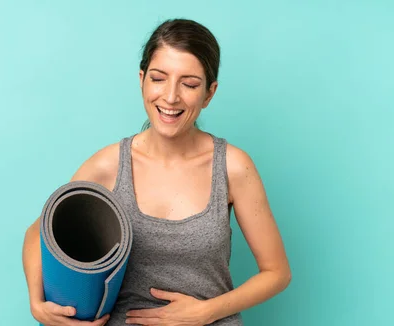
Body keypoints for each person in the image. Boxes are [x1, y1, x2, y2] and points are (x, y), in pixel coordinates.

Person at [22, 18, 291, 326]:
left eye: (189, 84)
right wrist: (37, 302)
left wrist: (204, 312)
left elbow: (277, 272)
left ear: (209, 93)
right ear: (142, 79)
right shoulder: (108, 165)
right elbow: (37, 233)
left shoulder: (232, 166)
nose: (171, 97)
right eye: (159, 79)